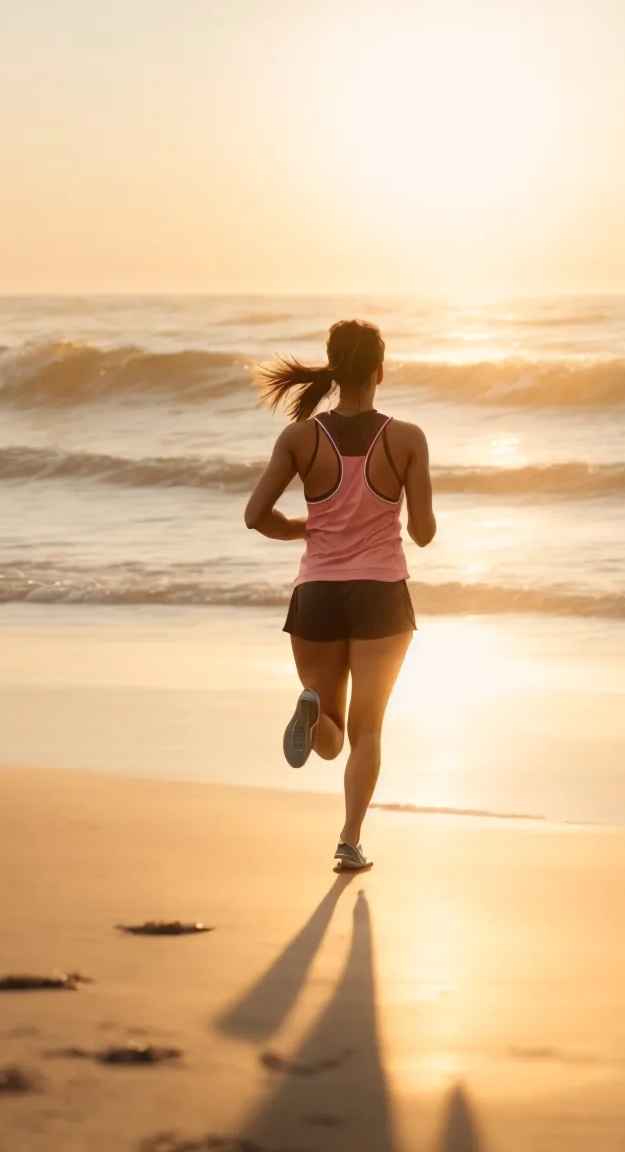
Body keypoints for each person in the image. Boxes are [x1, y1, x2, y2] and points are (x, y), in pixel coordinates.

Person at [243, 319, 435, 873]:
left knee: (329, 733)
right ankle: (349, 840)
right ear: (380, 369)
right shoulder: (406, 438)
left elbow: (255, 516)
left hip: (317, 595)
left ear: (332, 368)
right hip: (380, 594)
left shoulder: (301, 437)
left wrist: (310, 529)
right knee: (367, 730)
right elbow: (421, 533)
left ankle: (312, 710)